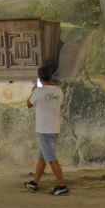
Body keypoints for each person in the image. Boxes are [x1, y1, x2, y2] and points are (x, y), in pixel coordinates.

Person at [25, 65, 69, 196]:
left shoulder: (38, 91)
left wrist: (33, 91)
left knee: (51, 159)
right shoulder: (58, 91)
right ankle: (35, 183)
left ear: (40, 78)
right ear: (51, 76)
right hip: (54, 128)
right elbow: (61, 105)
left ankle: (62, 186)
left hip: (44, 130)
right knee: (42, 157)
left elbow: (28, 104)